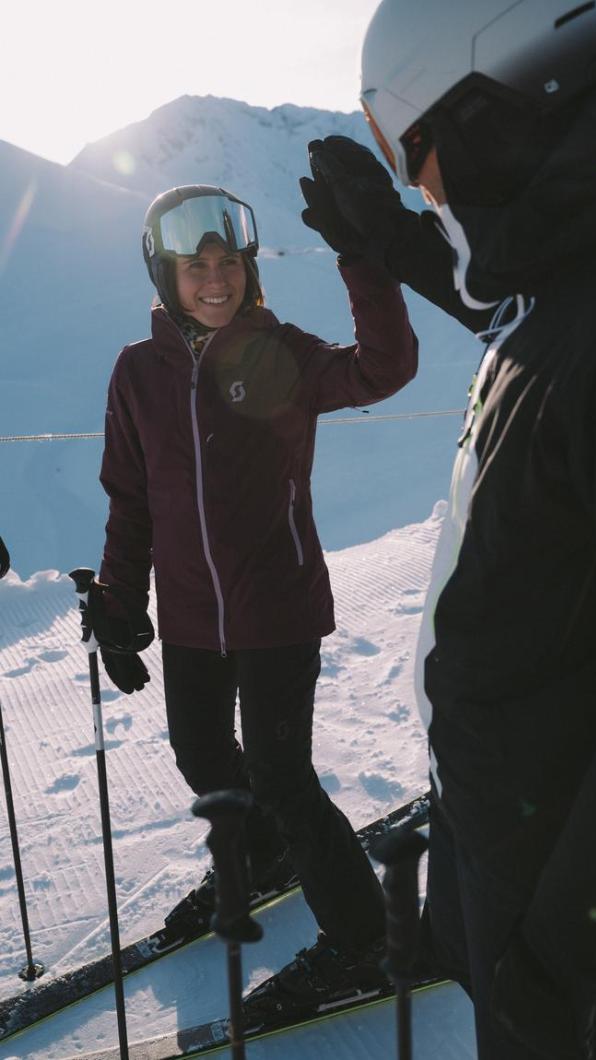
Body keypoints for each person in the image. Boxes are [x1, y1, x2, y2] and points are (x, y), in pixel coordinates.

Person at [299, 3, 596, 1057]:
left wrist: (551, 968)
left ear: (483, 111)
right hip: (504, 813)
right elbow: (530, 324)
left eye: (413, 156)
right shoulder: (595, 256)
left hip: (558, 865)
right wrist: (385, 241)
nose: (420, 189)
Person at [90, 183, 418, 1005]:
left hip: (277, 605)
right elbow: (130, 499)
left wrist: (364, 267)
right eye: (195, 265)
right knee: (201, 753)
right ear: (164, 274)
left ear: (249, 270)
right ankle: (266, 853)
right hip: (193, 614)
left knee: (280, 772)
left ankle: (366, 941)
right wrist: (122, 599)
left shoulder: (281, 352)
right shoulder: (137, 371)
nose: (214, 280)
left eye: (228, 263)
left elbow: (383, 369)